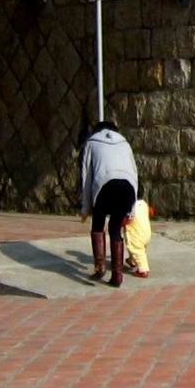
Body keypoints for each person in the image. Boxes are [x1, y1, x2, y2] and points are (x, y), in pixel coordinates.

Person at [78, 119, 138, 286]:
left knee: (98, 224)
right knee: (115, 228)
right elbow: (134, 173)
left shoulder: (91, 143)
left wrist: (85, 207)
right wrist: (132, 209)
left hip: (104, 186)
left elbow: (86, 177)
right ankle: (117, 275)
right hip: (127, 187)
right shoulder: (125, 144)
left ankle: (100, 268)